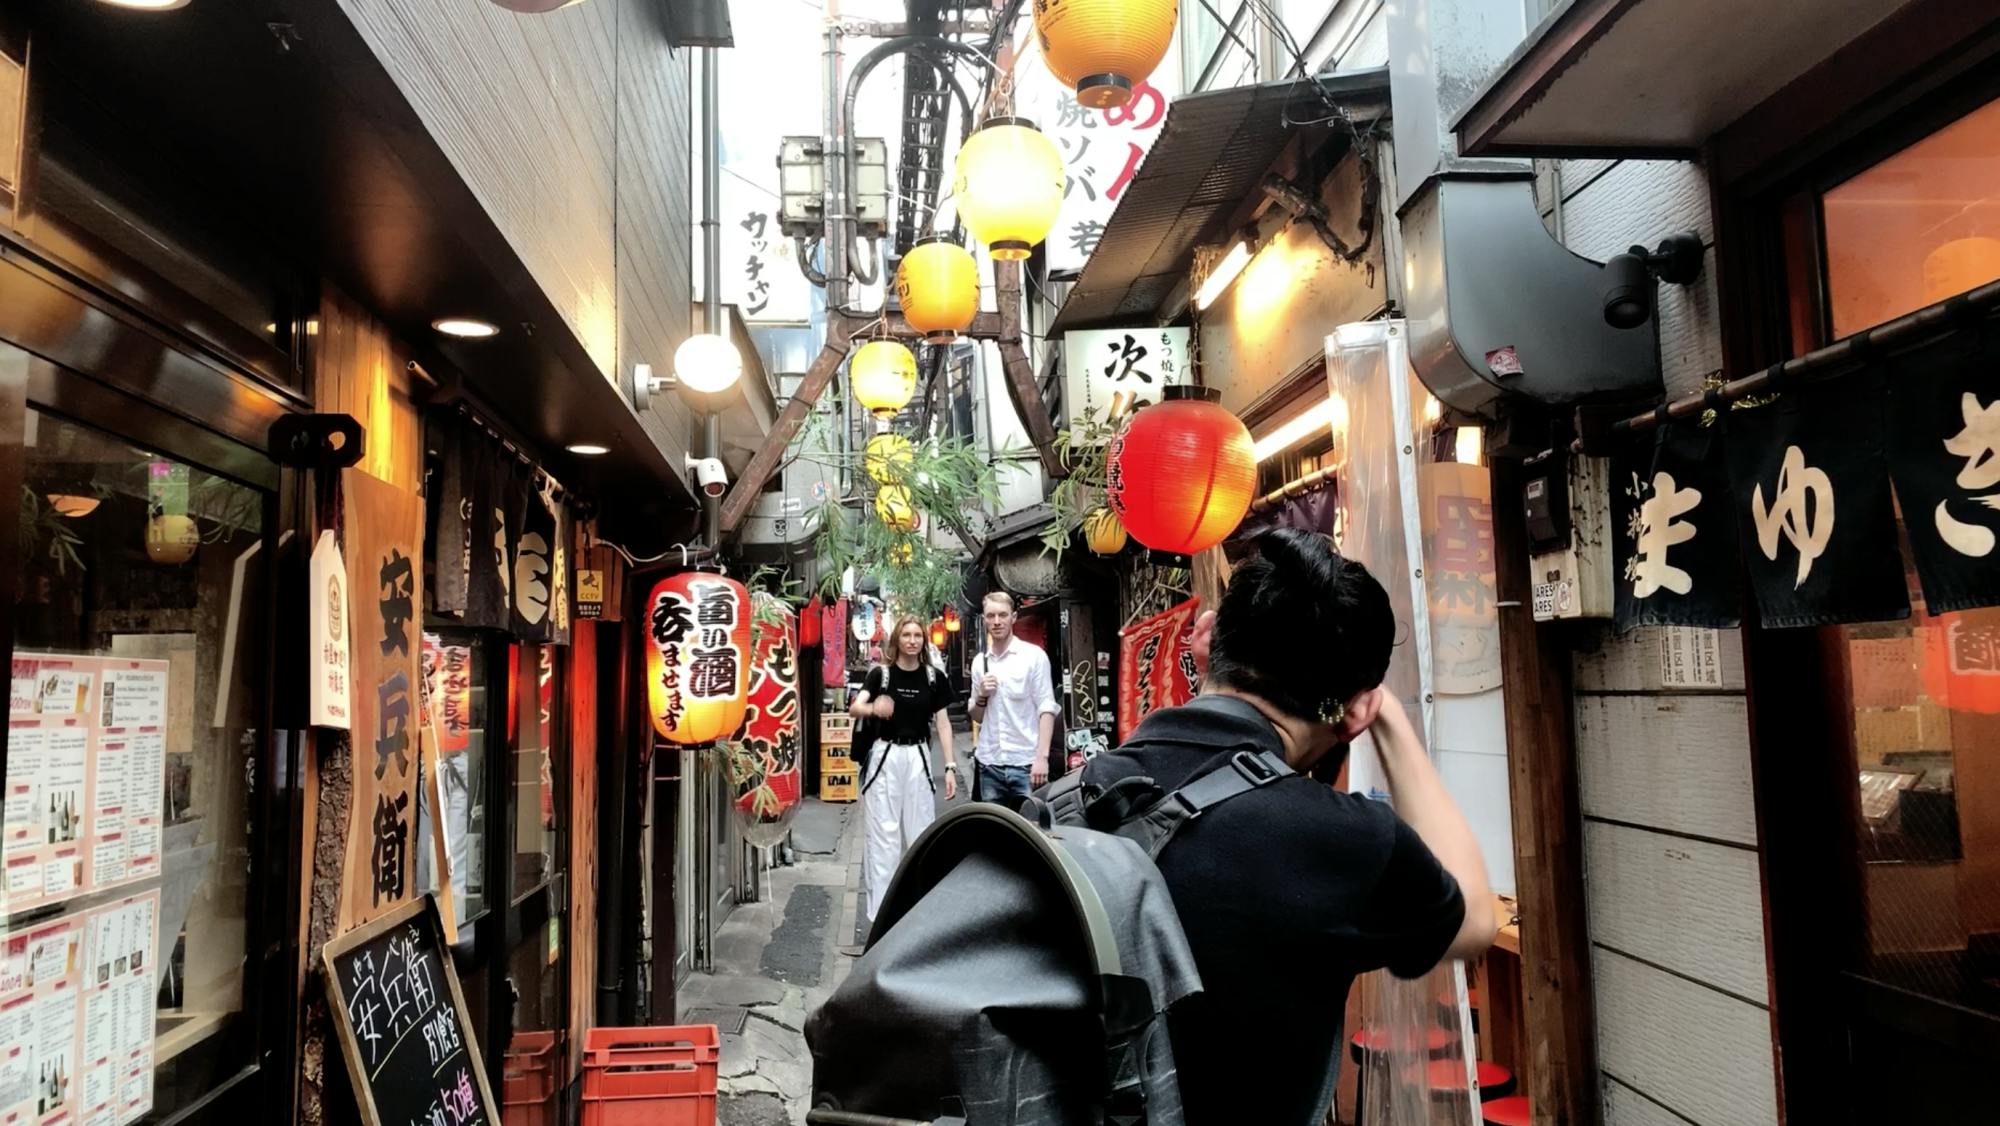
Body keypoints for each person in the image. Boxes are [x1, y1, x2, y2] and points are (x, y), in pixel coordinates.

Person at [1059, 529, 1496, 1126]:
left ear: (1207, 639)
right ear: (1357, 709)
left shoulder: (1075, 799)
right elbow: (1473, 919)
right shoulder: (1340, 842)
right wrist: (1385, 714)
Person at [850, 616, 961, 923]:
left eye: (917, 635)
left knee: (921, 835)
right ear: (897, 639)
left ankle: (916, 917)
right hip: (886, 754)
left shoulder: (933, 677)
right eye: (907, 635)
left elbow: (942, 723)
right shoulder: (881, 675)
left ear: (923, 641)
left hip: (918, 756)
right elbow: (855, 707)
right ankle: (880, 919)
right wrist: (874, 708)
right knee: (882, 838)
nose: (912, 640)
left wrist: (950, 766)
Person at [966, 591, 1059, 811]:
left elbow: (1046, 707)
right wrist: (981, 695)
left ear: (1013, 617)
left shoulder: (1033, 657)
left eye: (1002, 615)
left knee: (1031, 832)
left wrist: (1041, 758)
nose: (996, 622)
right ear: (984, 619)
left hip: (1026, 762)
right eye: (991, 616)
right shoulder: (980, 662)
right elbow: (977, 716)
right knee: (994, 834)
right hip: (990, 763)